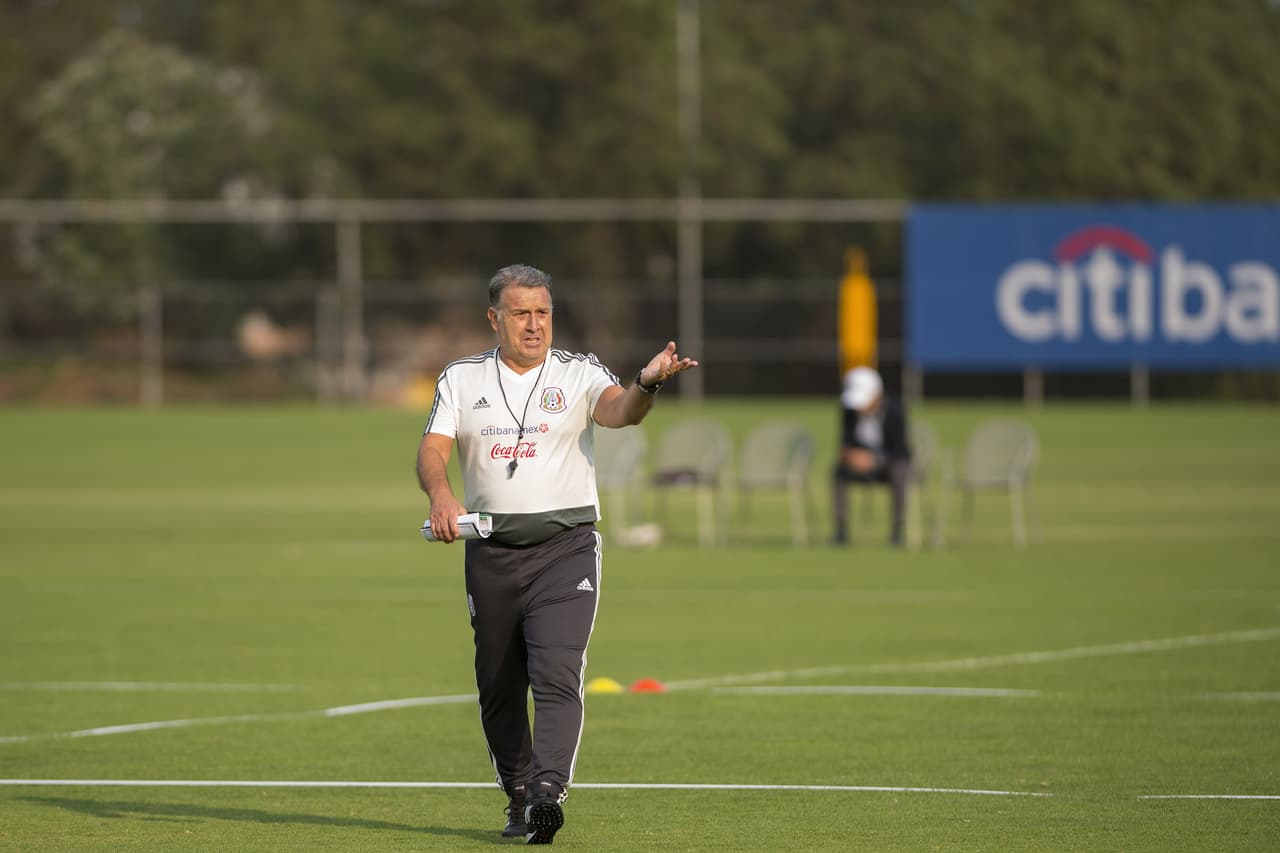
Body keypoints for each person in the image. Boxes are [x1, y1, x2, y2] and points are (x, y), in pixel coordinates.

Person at [416, 264, 697, 845]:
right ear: (495, 319)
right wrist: (442, 496)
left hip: (566, 549)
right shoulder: (461, 379)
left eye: (543, 312)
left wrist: (647, 383)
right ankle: (517, 796)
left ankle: (547, 793)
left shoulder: (579, 371)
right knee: (497, 683)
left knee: (556, 674)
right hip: (491, 552)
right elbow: (432, 449)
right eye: (521, 313)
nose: (534, 324)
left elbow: (619, 411)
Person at [831, 366, 912, 547]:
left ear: (876, 395)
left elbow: (901, 450)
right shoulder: (849, 412)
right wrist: (851, 456)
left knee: (900, 471)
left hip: (889, 464)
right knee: (838, 472)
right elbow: (844, 444)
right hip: (859, 466)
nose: (859, 406)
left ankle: (897, 532)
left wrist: (876, 460)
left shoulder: (895, 411)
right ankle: (840, 531)